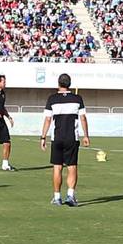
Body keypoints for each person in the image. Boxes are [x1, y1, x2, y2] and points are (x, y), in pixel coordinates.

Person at [41, 73, 89, 207]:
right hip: (71, 138)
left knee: (57, 167)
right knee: (72, 167)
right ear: (70, 84)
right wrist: (86, 136)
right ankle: (70, 195)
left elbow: (48, 119)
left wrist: (43, 137)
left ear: (58, 84)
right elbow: (83, 118)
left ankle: (57, 197)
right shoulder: (77, 98)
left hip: (57, 138)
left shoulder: (52, 99)